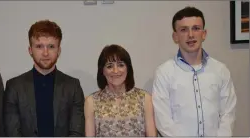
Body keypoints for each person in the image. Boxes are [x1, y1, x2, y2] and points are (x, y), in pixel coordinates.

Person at [152, 6, 237, 137]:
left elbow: (228, 114)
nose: (190, 35)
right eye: (183, 30)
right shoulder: (164, 73)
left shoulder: (221, 70)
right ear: (175, 37)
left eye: (196, 28)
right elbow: (163, 120)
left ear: (204, 34)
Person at [3, 19, 85, 137]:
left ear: (59, 50)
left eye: (51, 46)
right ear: (30, 50)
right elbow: (12, 133)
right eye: (39, 46)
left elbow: (77, 133)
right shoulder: (14, 87)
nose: (45, 53)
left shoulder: (73, 86)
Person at [84, 44, 157, 137]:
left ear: (128, 68)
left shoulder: (145, 98)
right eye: (109, 66)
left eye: (120, 65)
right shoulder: (91, 101)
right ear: (102, 71)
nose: (115, 71)